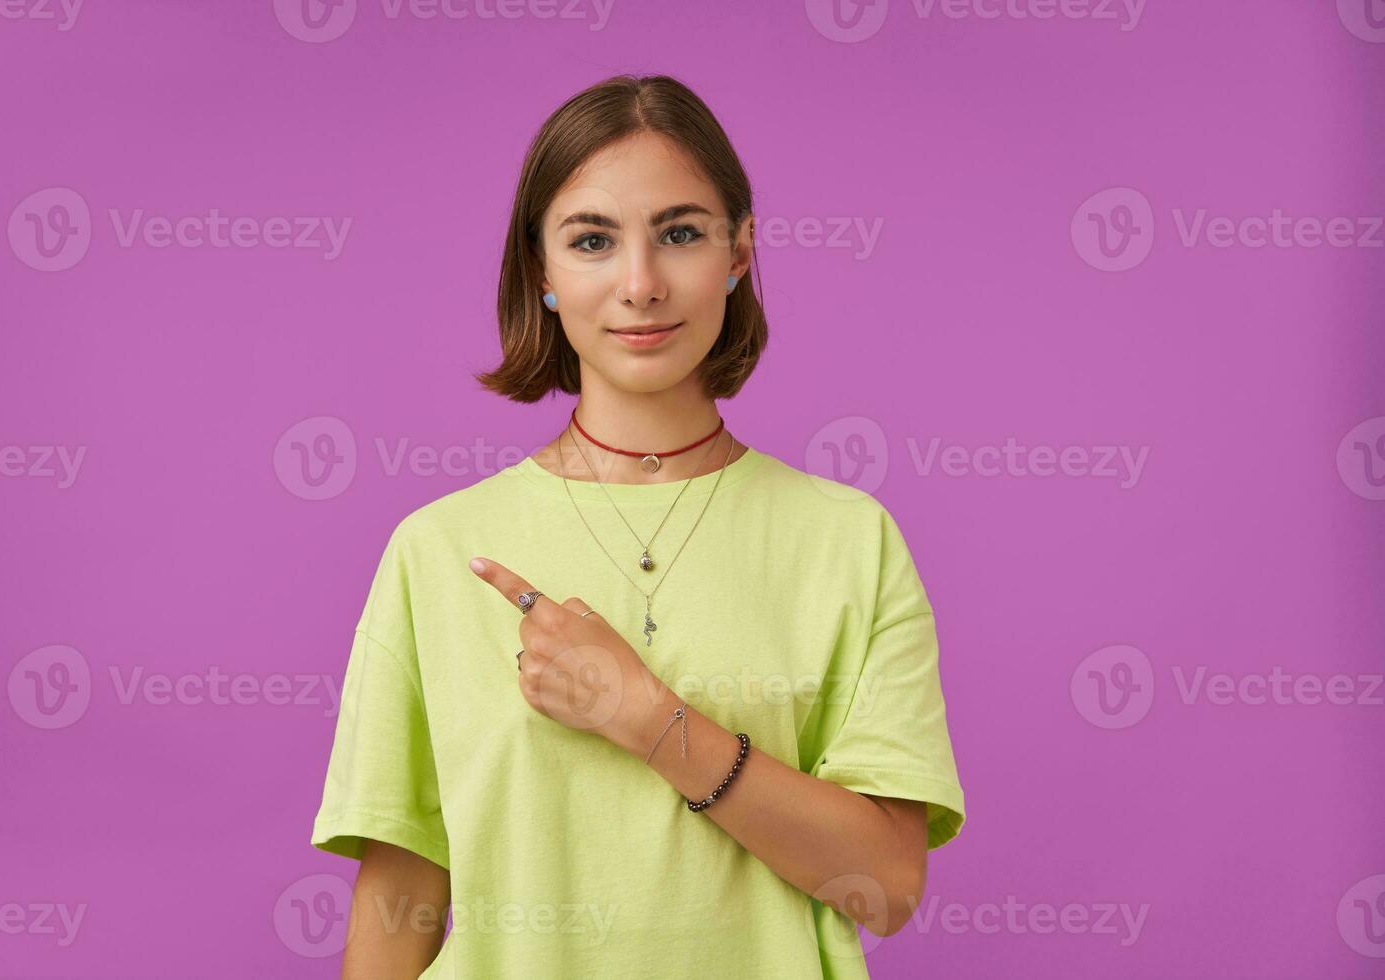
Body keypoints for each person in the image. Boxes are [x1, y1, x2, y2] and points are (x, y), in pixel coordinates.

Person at [310, 73, 966, 980]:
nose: (641, 284)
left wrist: (642, 715)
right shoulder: (436, 552)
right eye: (592, 240)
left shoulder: (849, 540)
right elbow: (401, 892)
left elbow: (885, 886)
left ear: (738, 253)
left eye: (682, 234)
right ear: (542, 271)